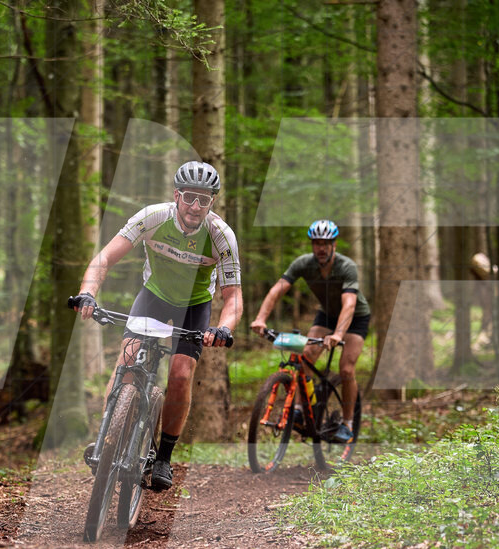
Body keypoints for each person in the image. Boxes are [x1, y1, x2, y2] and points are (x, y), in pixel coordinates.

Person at [71, 161, 243, 490]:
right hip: (155, 296)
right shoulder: (152, 217)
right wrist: (88, 293)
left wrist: (224, 327)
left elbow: (233, 295)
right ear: (176, 195)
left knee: (180, 374)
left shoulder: (221, 235)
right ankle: (108, 439)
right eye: (190, 197)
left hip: (194, 305)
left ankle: (163, 456)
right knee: (127, 359)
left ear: (212, 201)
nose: (195, 206)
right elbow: (104, 258)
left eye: (204, 199)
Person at [249, 219, 370, 443]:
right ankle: (300, 409)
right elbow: (277, 290)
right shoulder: (304, 264)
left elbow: (349, 304)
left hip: (355, 319)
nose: (321, 248)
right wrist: (260, 319)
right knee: (305, 356)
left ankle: (347, 423)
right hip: (326, 315)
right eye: (317, 243)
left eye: (326, 243)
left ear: (334, 245)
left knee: (346, 369)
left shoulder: (346, 267)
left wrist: (338, 335)